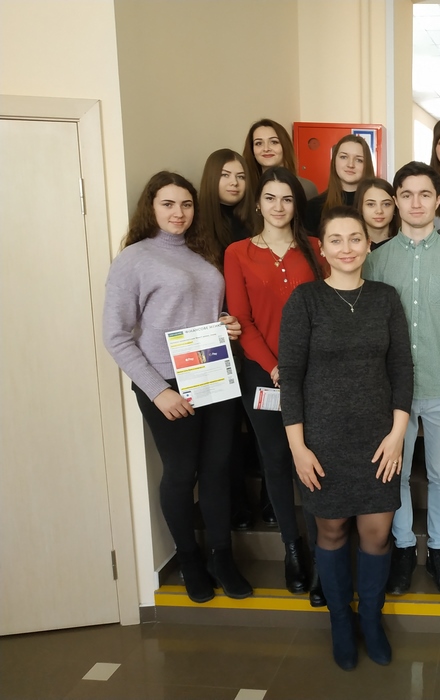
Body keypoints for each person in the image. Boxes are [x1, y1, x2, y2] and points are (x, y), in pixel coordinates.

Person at [102, 171, 252, 603]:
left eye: (186, 204)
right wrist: (157, 390)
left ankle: (222, 557)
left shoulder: (203, 253)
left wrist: (227, 323)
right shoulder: (133, 259)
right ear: (150, 207)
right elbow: (116, 335)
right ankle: (189, 560)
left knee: (218, 468)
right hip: (166, 381)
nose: (178, 213)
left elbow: (204, 311)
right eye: (168, 204)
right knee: (182, 473)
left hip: (212, 373)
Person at [279, 206, 413, 670]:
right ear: (322, 248)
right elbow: (291, 378)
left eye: (355, 238)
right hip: (322, 440)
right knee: (332, 529)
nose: (347, 248)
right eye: (335, 240)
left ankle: (370, 619)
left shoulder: (385, 298)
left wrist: (397, 434)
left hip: (379, 439)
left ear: (368, 244)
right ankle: (340, 620)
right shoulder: (305, 300)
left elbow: (401, 369)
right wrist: (298, 448)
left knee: (377, 533)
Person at [364, 161, 440, 597]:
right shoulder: (376, 260)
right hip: (393, 393)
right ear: (395, 201)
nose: (415, 203)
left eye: (424, 194)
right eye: (406, 194)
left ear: (438, 200)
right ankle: (406, 548)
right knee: (396, 474)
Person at [223, 167, 329, 602]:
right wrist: (275, 367)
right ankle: (292, 548)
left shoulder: (317, 248)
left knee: (314, 460)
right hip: (261, 373)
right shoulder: (239, 253)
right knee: (277, 461)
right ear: (258, 203)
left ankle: (324, 554)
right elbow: (242, 320)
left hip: (315, 373)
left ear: (296, 205)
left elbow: (329, 308)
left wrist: (302, 367)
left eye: (287, 198)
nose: (279, 206)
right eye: (270, 198)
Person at [198, 148, 259, 531]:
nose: (234, 183)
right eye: (225, 175)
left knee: (255, 423)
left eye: (240, 176)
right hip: (211, 341)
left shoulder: (251, 222)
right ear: (211, 179)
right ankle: (234, 507)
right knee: (223, 433)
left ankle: (261, 501)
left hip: (249, 335)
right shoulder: (197, 227)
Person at [305, 134, 375, 235]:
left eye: (359, 160)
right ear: (334, 161)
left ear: (367, 165)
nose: (350, 164)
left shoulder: (379, 207)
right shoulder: (313, 208)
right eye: (344, 157)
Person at [242, 118, 318, 202]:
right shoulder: (244, 187)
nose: (266, 149)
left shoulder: (306, 187)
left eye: (274, 142)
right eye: (259, 143)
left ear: (285, 146)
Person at [354, 177, 398, 250]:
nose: (379, 211)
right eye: (371, 204)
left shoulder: (404, 245)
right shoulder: (352, 246)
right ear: (360, 207)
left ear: (395, 207)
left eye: (386, 204)